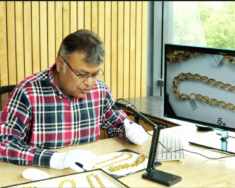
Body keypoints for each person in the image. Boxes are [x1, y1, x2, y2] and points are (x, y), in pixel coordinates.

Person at [0, 29, 148, 172]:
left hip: (89, 174)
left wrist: (129, 130)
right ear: (60, 64)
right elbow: (4, 143)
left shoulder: (100, 90)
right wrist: (55, 159)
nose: (89, 82)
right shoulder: (28, 92)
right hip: (43, 176)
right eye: (81, 74)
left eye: (95, 74)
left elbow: (118, 123)